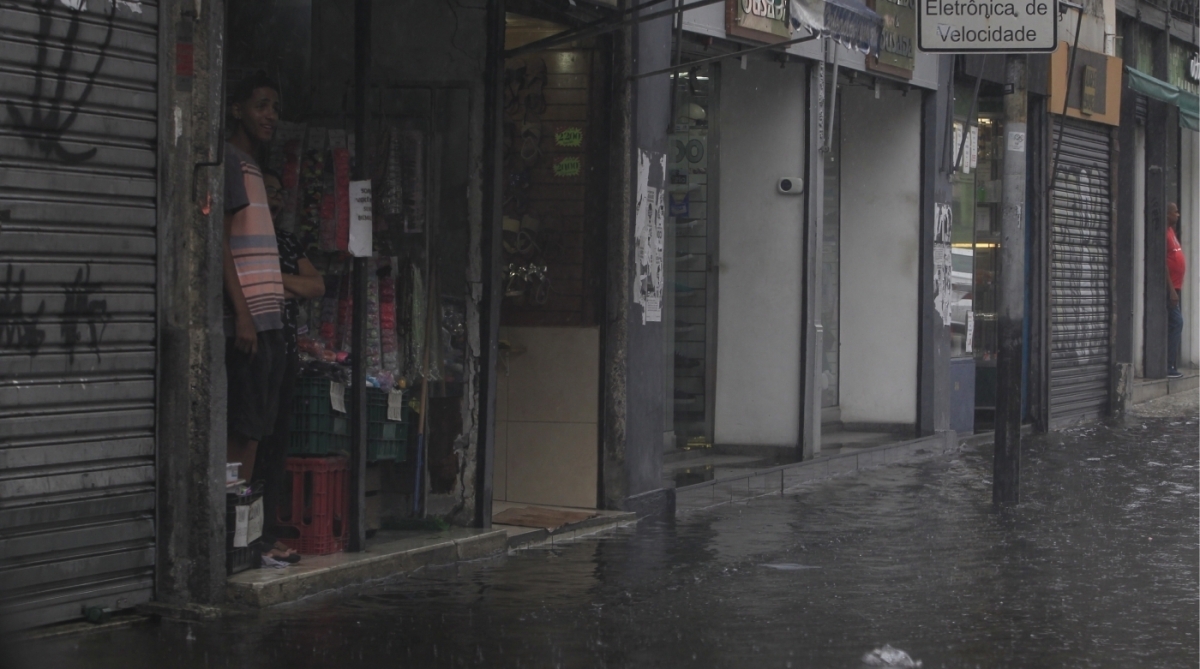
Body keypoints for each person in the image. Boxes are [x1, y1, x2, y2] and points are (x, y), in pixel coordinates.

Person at [253, 170, 325, 562]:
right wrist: (284, 282)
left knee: (276, 445)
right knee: (254, 441)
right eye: (268, 191)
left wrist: (275, 278)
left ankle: (266, 534)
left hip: (285, 350)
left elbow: (316, 286)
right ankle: (250, 539)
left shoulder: (285, 241)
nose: (276, 199)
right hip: (256, 347)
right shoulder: (248, 240)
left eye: (280, 192)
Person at [223, 72, 286, 503]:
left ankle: (247, 528)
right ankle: (232, 526)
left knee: (259, 429)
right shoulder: (229, 161)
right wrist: (242, 312)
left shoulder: (254, 167)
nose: (271, 116)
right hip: (249, 322)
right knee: (243, 431)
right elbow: (220, 242)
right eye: (261, 106)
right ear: (237, 110)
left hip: (268, 321)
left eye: (274, 109)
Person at [1166, 202, 1186, 379]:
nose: (1178, 215)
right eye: (1175, 212)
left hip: (1176, 287)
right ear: (1167, 214)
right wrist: (1171, 290)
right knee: (1177, 322)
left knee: (1174, 323)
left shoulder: (1172, 232)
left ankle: (1169, 363)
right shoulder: (1164, 234)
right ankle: (1168, 364)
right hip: (1169, 289)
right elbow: (1164, 263)